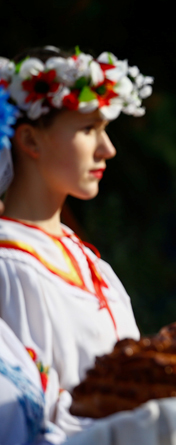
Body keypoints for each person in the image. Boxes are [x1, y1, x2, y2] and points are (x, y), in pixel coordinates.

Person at [0, 46, 150, 434]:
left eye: (104, 129)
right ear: (30, 141)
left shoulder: (82, 255)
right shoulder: (9, 263)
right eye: (88, 130)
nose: (108, 149)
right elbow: (22, 416)